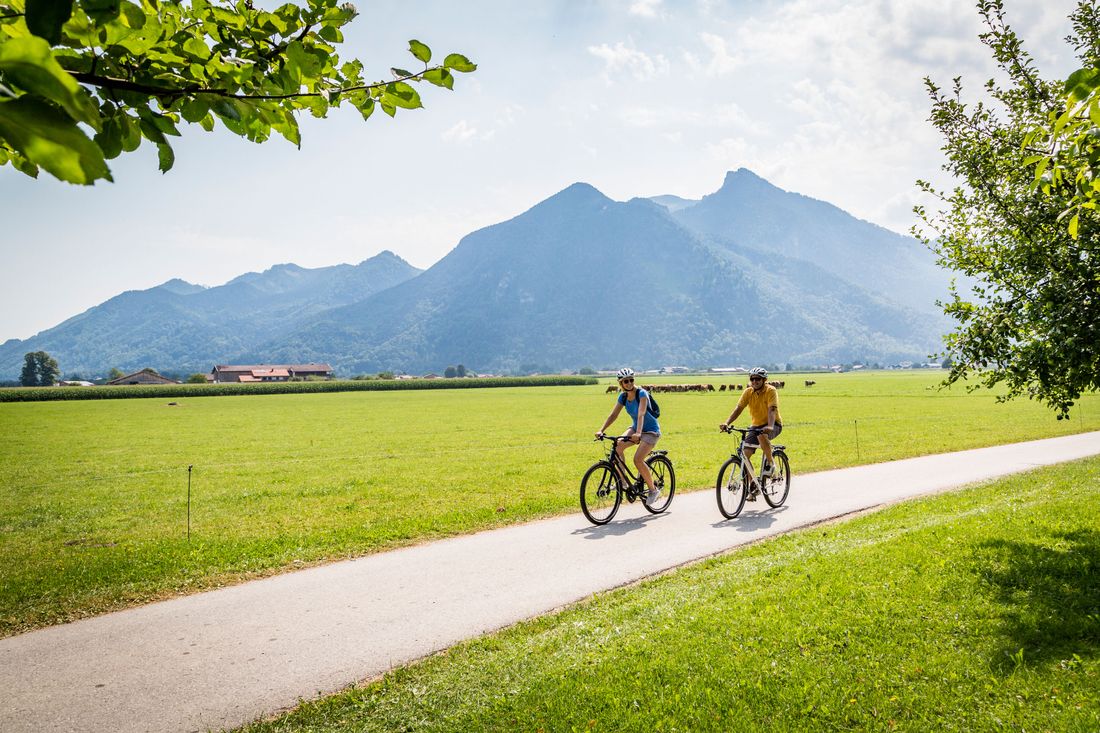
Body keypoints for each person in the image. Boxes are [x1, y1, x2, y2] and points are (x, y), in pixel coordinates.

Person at [595, 367, 662, 505]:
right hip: (635, 428)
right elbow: (613, 415)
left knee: (638, 459)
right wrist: (601, 430)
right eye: (626, 381)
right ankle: (623, 482)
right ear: (621, 383)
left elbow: (641, 413)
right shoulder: (623, 397)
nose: (629, 383)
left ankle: (653, 490)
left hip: (650, 431)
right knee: (618, 445)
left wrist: (638, 433)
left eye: (631, 380)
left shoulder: (642, 394)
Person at [719, 367, 783, 493]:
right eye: (752, 379)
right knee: (744, 455)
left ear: (764, 380)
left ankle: (771, 464)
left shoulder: (771, 390)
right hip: (756, 426)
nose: (754, 381)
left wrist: (769, 426)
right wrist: (727, 423)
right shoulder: (748, 392)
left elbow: (772, 410)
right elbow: (738, 409)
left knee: (762, 436)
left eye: (757, 379)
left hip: (773, 424)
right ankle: (753, 484)